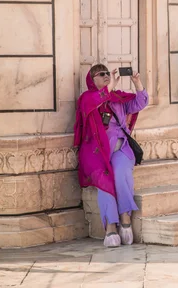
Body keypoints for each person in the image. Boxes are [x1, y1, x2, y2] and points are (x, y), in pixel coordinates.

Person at [74, 65, 149, 247]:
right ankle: (110, 227)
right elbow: (94, 102)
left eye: (108, 73)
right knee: (104, 181)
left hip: (121, 147)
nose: (107, 76)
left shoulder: (117, 98)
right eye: (102, 74)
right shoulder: (87, 98)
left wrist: (137, 83)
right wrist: (109, 88)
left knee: (121, 173)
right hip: (96, 154)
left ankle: (125, 217)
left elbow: (140, 103)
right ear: (93, 80)